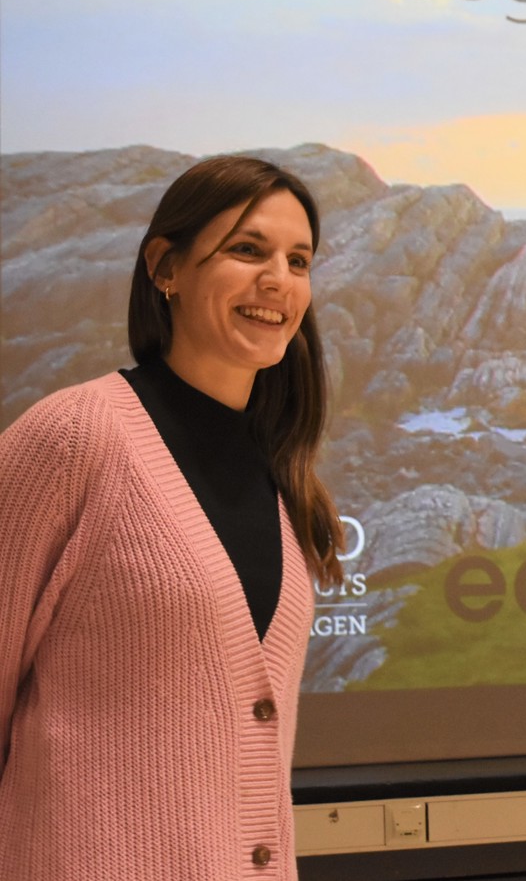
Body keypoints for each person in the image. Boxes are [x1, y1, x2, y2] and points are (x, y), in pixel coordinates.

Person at [0, 155, 342, 879]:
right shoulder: (71, 438)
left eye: (299, 260)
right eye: (248, 250)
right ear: (166, 268)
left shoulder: (280, 474)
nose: (278, 279)